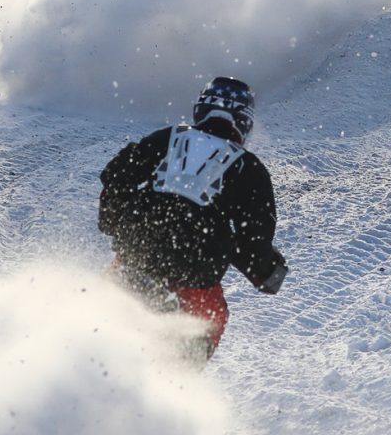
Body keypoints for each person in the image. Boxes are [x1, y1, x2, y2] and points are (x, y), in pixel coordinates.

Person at [97, 76, 287, 360]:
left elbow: (116, 176)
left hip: (135, 256)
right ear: (244, 121)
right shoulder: (249, 169)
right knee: (211, 321)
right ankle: (177, 385)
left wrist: (112, 220)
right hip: (193, 277)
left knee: (96, 310)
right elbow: (254, 239)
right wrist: (266, 272)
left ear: (201, 109)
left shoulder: (166, 138)